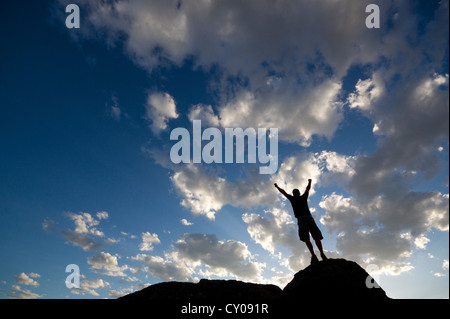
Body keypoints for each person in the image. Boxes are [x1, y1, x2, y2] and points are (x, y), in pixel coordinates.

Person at [274, 179, 327, 265]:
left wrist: (277, 187)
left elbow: (283, 192)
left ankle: (313, 256)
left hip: (301, 219)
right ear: (298, 193)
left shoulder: (292, 199)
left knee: (306, 238)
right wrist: (309, 182)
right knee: (316, 236)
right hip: (309, 218)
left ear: (293, 194)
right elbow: (307, 189)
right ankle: (322, 254)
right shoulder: (303, 197)